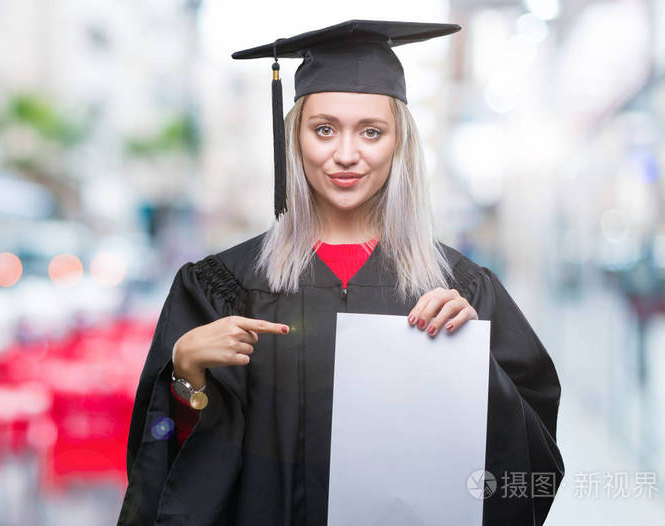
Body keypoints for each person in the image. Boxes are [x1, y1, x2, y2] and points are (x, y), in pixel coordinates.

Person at [117, 19, 564, 526]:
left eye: (371, 132)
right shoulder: (221, 287)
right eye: (324, 129)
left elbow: (533, 459)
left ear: (400, 143)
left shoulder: (459, 290)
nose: (346, 154)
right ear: (295, 138)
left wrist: (474, 367)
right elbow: (163, 472)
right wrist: (184, 377)